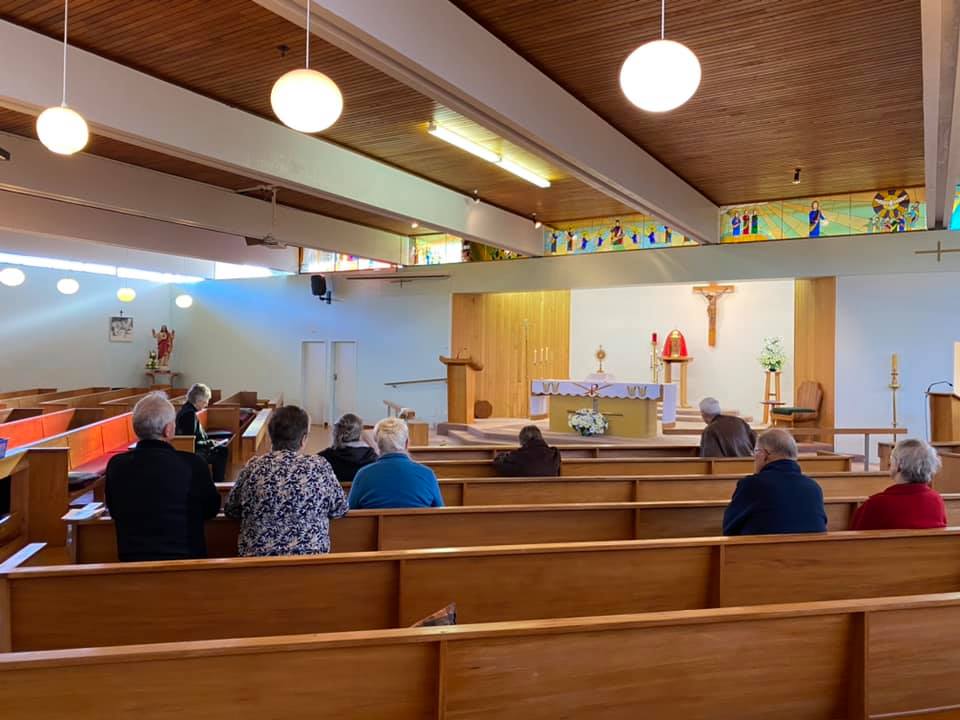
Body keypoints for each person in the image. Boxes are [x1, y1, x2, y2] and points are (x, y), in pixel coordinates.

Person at [105, 391, 221, 561]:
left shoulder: (117, 465)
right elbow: (211, 509)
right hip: (186, 563)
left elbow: (114, 510)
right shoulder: (193, 464)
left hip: (133, 565)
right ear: (168, 430)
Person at [224, 405, 347, 556]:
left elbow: (231, 510)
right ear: (303, 439)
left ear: (271, 437)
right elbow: (340, 509)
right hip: (311, 563)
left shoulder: (254, 466)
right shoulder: (319, 466)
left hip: (258, 564)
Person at [722, 428, 827, 536]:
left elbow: (729, 528)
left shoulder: (752, 485)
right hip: (812, 552)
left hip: (761, 552)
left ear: (765, 454)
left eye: (756, 451)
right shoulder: (814, 487)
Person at [850, 439, 947, 530]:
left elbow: (855, 541)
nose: (889, 463)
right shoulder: (936, 500)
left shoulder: (876, 504)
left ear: (899, 465)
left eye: (892, 459)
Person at [348, 417, 444, 509]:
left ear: (378, 445)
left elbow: (350, 513)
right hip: (418, 526)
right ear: (406, 443)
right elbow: (440, 512)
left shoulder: (363, 475)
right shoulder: (427, 474)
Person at [176, 382, 228, 484]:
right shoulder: (189, 415)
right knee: (222, 451)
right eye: (205, 401)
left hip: (195, 448)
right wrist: (210, 443)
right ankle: (218, 483)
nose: (207, 404)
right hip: (193, 453)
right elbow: (190, 443)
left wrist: (210, 441)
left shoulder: (187, 410)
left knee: (221, 448)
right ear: (199, 400)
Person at [319, 413, 377, 483]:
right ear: (359, 433)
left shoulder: (324, 457)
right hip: (361, 493)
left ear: (336, 431)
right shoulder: (372, 457)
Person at [493, 425, 561, 477]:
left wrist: (500, 457)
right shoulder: (554, 454)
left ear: (522, 442)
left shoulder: (518, 456)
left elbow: (501, 466)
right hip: (551, 493)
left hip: (523, 494)